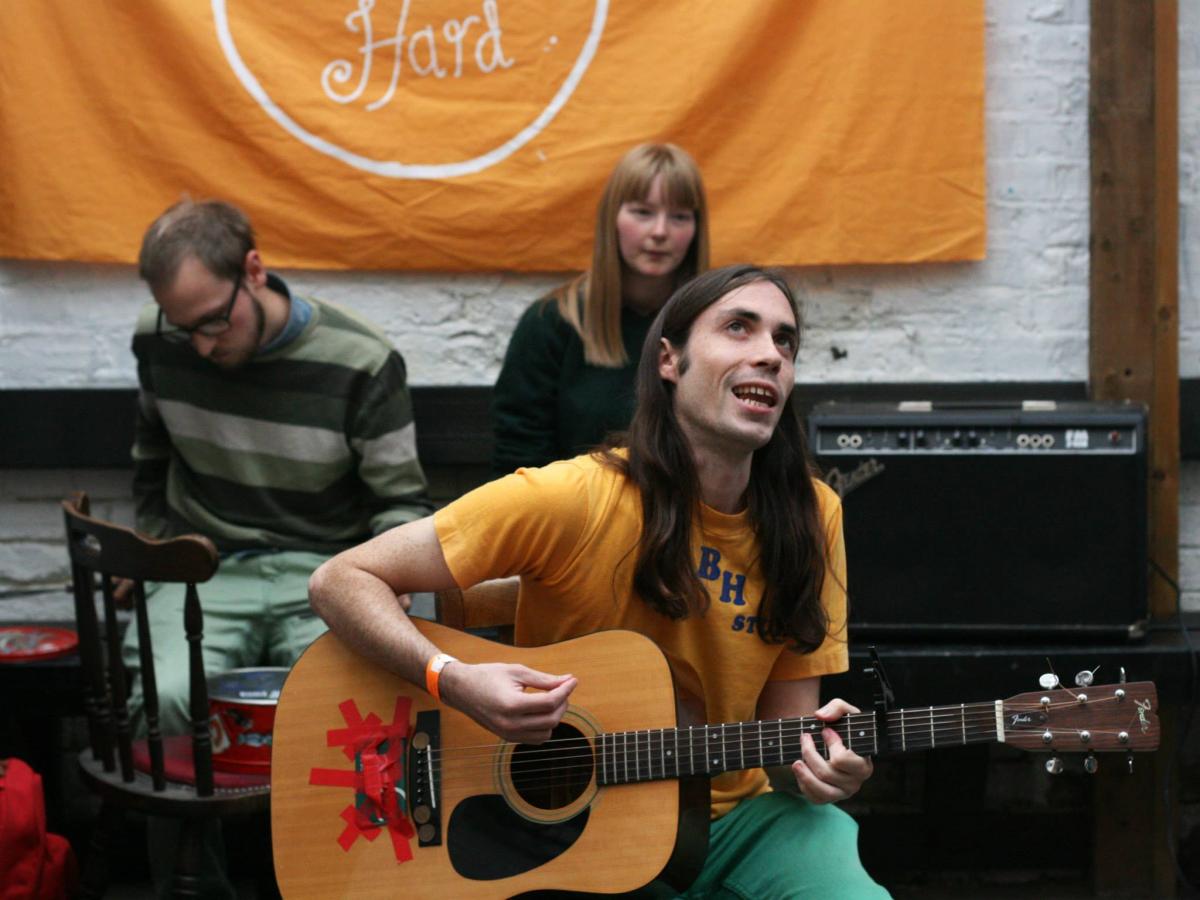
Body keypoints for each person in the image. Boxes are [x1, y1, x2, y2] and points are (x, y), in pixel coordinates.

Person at [310, 264, 889, 898]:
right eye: (738, 328)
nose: (770, 356)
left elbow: (784, 743)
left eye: (785, 341)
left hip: (733, 821)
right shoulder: (574, 498)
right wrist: (452, 680)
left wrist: (823, 767)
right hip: (559, 835)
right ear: (670, 361)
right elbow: (341, 579)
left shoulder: (812, 516)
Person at [128, 198, 432, 898]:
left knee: (351, 711)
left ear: (255, 271)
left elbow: (400, 505)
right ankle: (193, 887)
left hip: (324, 570)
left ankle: (341, 886)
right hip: (206, 563)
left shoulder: (362, 359)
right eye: (184, 326)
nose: (201, 344)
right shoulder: (160, 339)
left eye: (213, 320)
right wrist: (154, 540)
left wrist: (392, 578)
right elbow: (149, 456)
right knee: (167, 695)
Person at [491, 141, 710, 475]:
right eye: (643, 212)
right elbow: (519, 460)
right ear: (613, 218)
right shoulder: (551, 323)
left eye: (679, 216)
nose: (661, 231)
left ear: (696, 230)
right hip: (575, 518)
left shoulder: (714, 324)